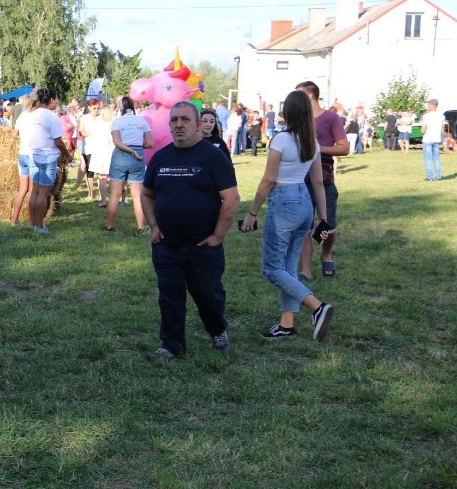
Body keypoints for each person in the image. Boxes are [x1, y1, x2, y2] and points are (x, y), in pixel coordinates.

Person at [142, 101, 240, 358]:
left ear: (198, 124)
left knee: (207, 293)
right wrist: (153, 225)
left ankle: (217, 329)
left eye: (185, 120)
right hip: (167, 245)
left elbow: (231, 198)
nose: (178, 125)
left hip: (203, 245)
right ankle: (172, 345)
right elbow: (147, 194)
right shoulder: (161, 157)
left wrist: (218, 235)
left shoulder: (213, 156)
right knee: (169, 295)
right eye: (174, 120)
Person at [240, 90, 335, 341]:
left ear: (288, 112)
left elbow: (269, 179)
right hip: (304, 202)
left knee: (272, 268)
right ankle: (287, 324)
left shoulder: (281, 140)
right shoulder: (312, 142)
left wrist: (252, 213)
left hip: (284, 201)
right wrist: (322, 218)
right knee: (289, 267)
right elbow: (317, 182)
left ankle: (317, 306)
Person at [295, 81, 349, 281]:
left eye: (298, 95)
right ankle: (305, 269)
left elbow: (344, 148)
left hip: (324, 179)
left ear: (310, 95)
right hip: (300, 178)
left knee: (329, 225)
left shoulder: (331, 118)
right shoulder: (299, 119)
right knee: (305, 226)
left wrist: (317, 148)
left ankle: (326, 254)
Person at [14, 87, 70, 233]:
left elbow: (18, 134)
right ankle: (39, 226)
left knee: (34, 192)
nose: (57, 101)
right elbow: (58, 141)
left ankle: (31, 223)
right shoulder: (51, 116)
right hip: (47, 158)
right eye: (56, 99)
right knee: (42, 193)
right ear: (51, 100)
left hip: (32, 156)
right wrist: (67, 155)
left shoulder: (29, 114)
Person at [106, 96, 154, 232]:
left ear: (120, 107)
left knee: (115, 194)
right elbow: (150, 143)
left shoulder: (117, 122)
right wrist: (136, 148)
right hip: (138, 157)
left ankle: (110, 225)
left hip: (120, 156)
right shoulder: (142, 121)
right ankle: (140, 227)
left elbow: (117, 142)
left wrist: (130, 150)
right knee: (137, 196)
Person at [421, 98, 446, 181]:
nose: (427, 106)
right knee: (436, 158)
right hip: (437, 139)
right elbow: (442, 130)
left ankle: (429, 177)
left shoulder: (427, 116)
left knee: (428, 158)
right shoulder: (441, 116)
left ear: (432, 105)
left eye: (428, 105)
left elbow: (423, 130)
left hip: (428, 139)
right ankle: (438, 176)